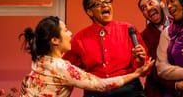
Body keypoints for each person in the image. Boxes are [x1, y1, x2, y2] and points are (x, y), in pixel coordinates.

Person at [19, 16, 154, 97]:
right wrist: (136, 74)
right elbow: (101, 84)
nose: (70, 33)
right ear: (55, 40)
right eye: (65, 30)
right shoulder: (61, 67)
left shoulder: (40, 60)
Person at [62, 0, 149, 97]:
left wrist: (140, 61)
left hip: (128, 89)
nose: (105, 6)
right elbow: (64, 69)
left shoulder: (128, 29)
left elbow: (144, 70)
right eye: (99, 4)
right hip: (96, 92)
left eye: (107, 2)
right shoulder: (79, 39)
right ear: (89, 11)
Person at [138, 0, 183, 97]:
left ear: (162, 4)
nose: (148, 8)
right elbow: (154, 69)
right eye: (143, 8)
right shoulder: (144, 37)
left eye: (150, 3)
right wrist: (176, 85)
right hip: (159, 92)